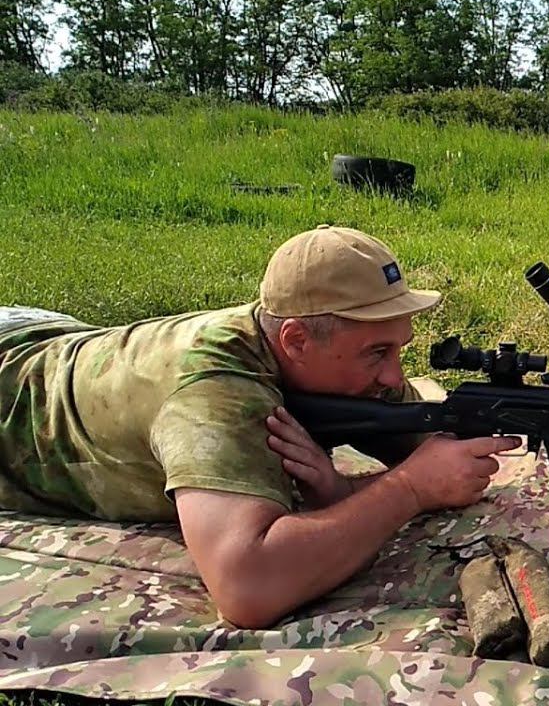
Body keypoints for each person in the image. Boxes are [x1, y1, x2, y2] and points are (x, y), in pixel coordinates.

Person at [0, 225, 521, 628]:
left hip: (53, 335)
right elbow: (247, 587)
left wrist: (349, 491)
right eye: (376, 353)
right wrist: (406, 490)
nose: (393, 377)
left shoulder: (318, 344)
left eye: (397, 350)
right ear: (295, 341)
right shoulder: (214, 392)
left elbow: (434, 451)